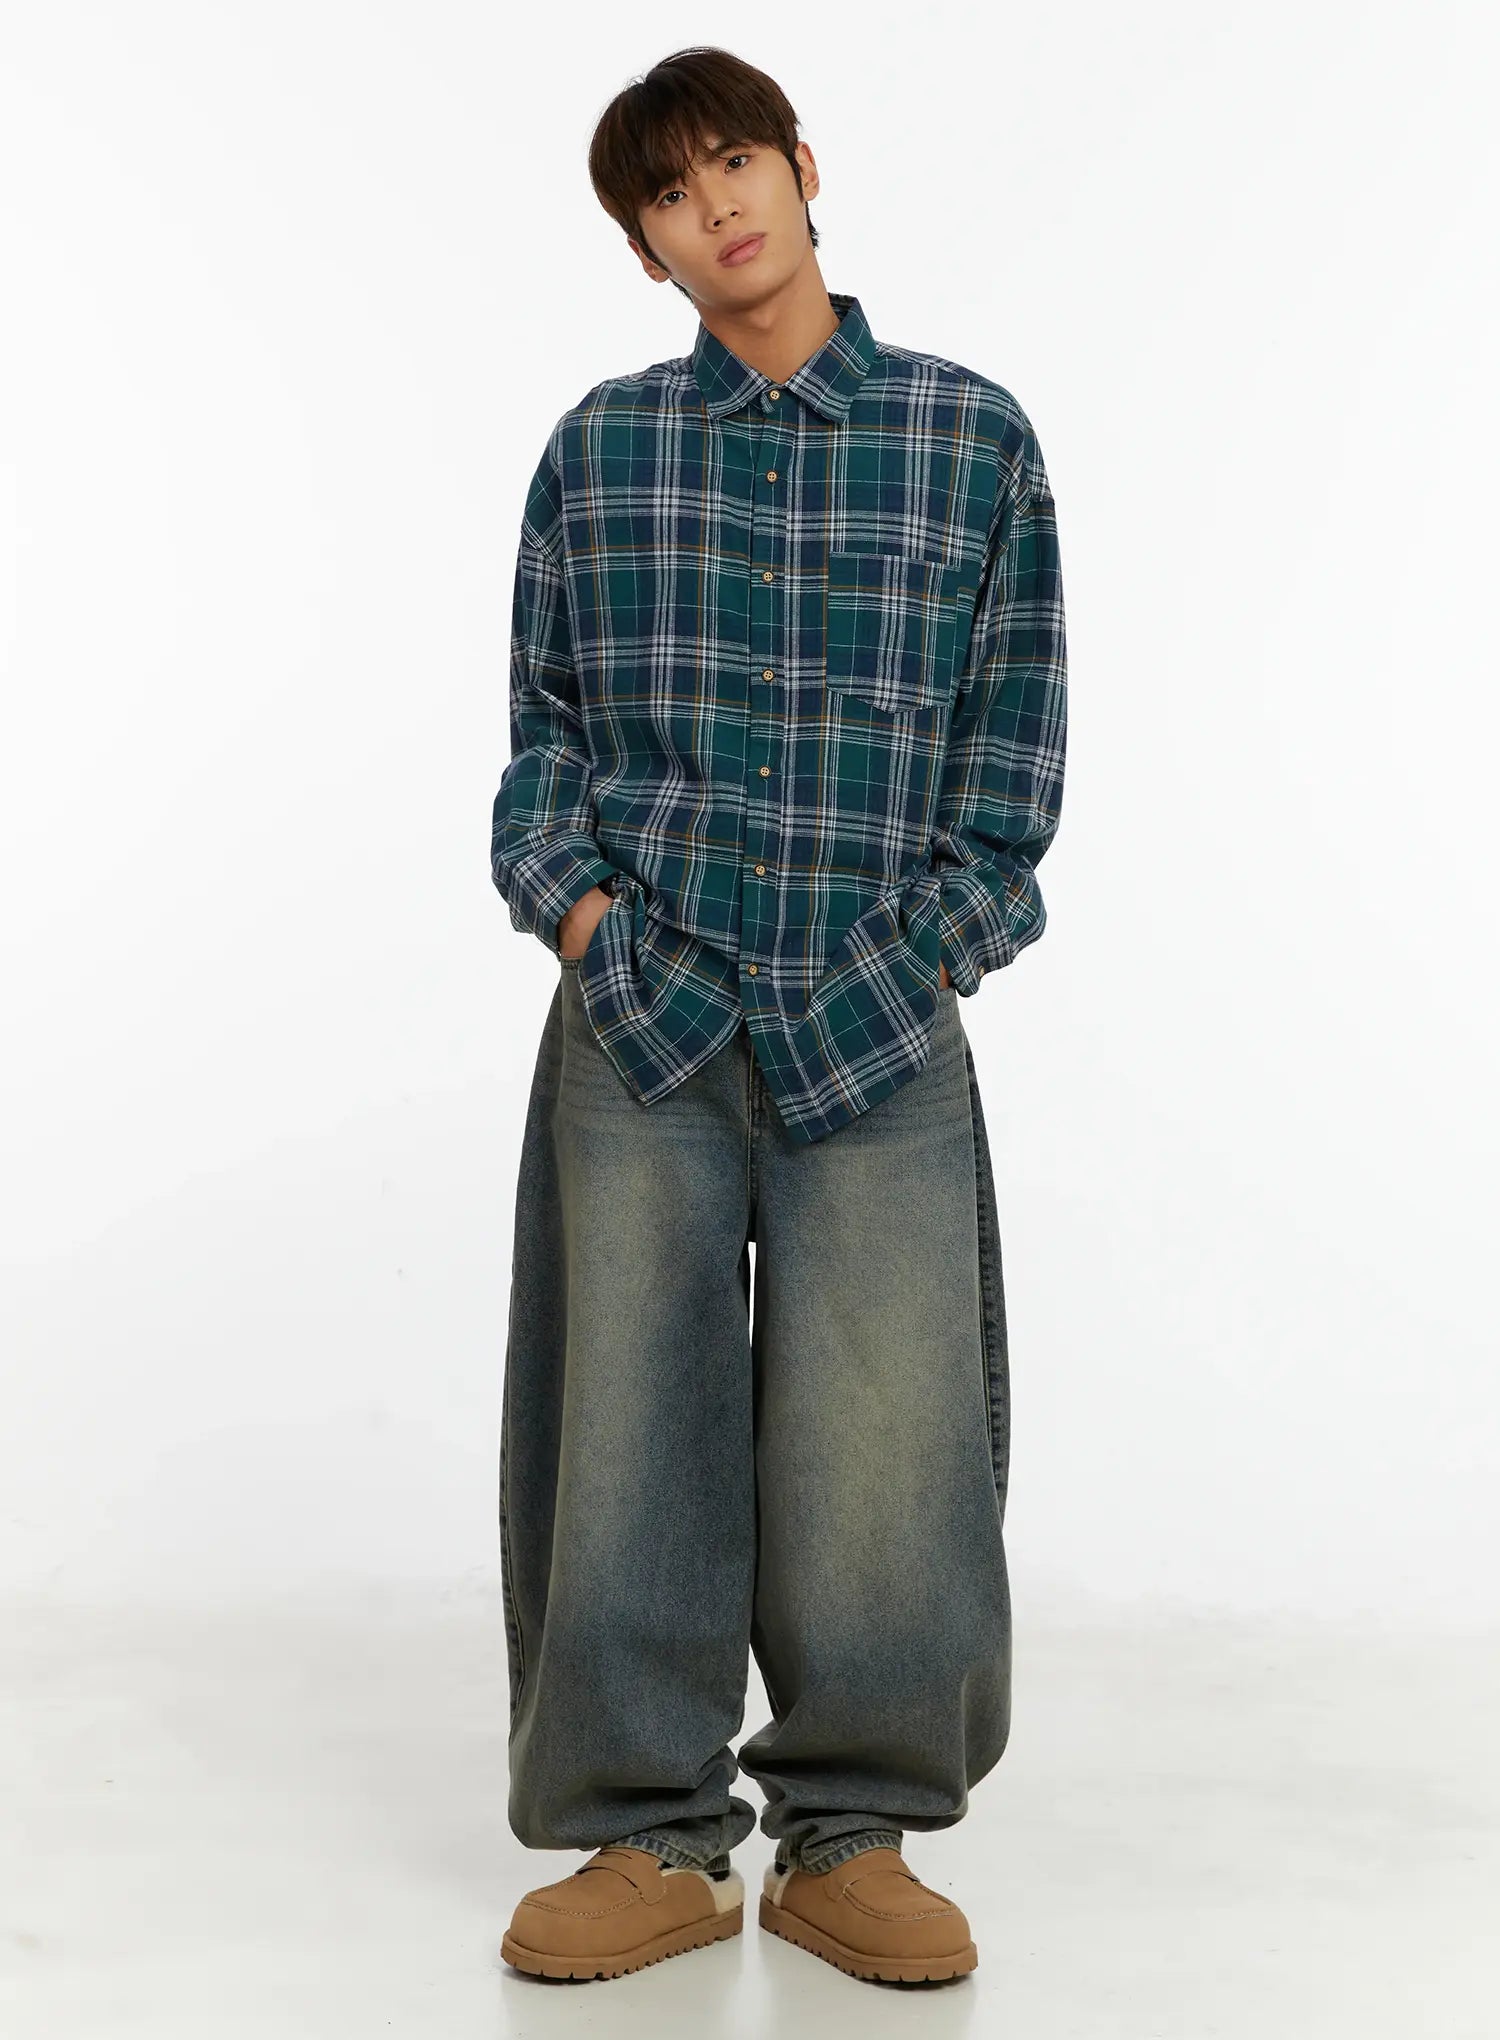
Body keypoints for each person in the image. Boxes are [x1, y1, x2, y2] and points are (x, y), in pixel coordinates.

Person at [490, 45, 1067, 1987]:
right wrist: (588, 920)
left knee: (890, 1447)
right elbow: (542, 743)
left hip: (875, 1026)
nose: (715, 205)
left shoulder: (971, 441)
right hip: (641, 1023)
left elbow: (1012, 765)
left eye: (734, 160)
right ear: (644, 251)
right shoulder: (597, 453)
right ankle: (649, 1840)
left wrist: (924, 957)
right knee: (619, 1434)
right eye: (667, 193)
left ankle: (852, 1834)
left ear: (805, 169)